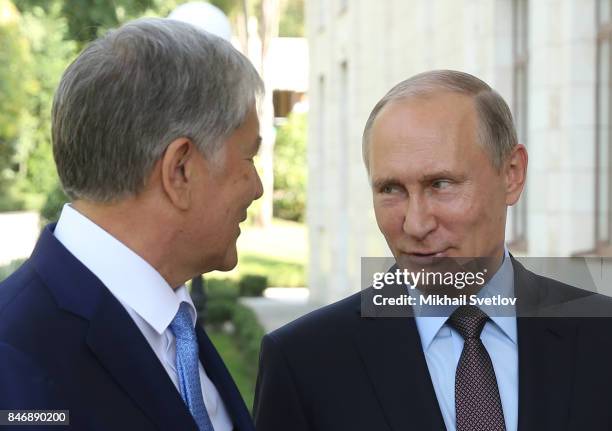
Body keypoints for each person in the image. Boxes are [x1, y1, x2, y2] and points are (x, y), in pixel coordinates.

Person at [253, 70, 612, 431]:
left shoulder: (601, 338)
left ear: (512, 174)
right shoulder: (304, 363)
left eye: (441, 184)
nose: (415, 224)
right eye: (391, 190)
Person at [0, 17, 263, 431]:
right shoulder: (12, 359)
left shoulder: (176, 327)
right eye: (249, 158)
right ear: (180, 171)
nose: (257, 187)